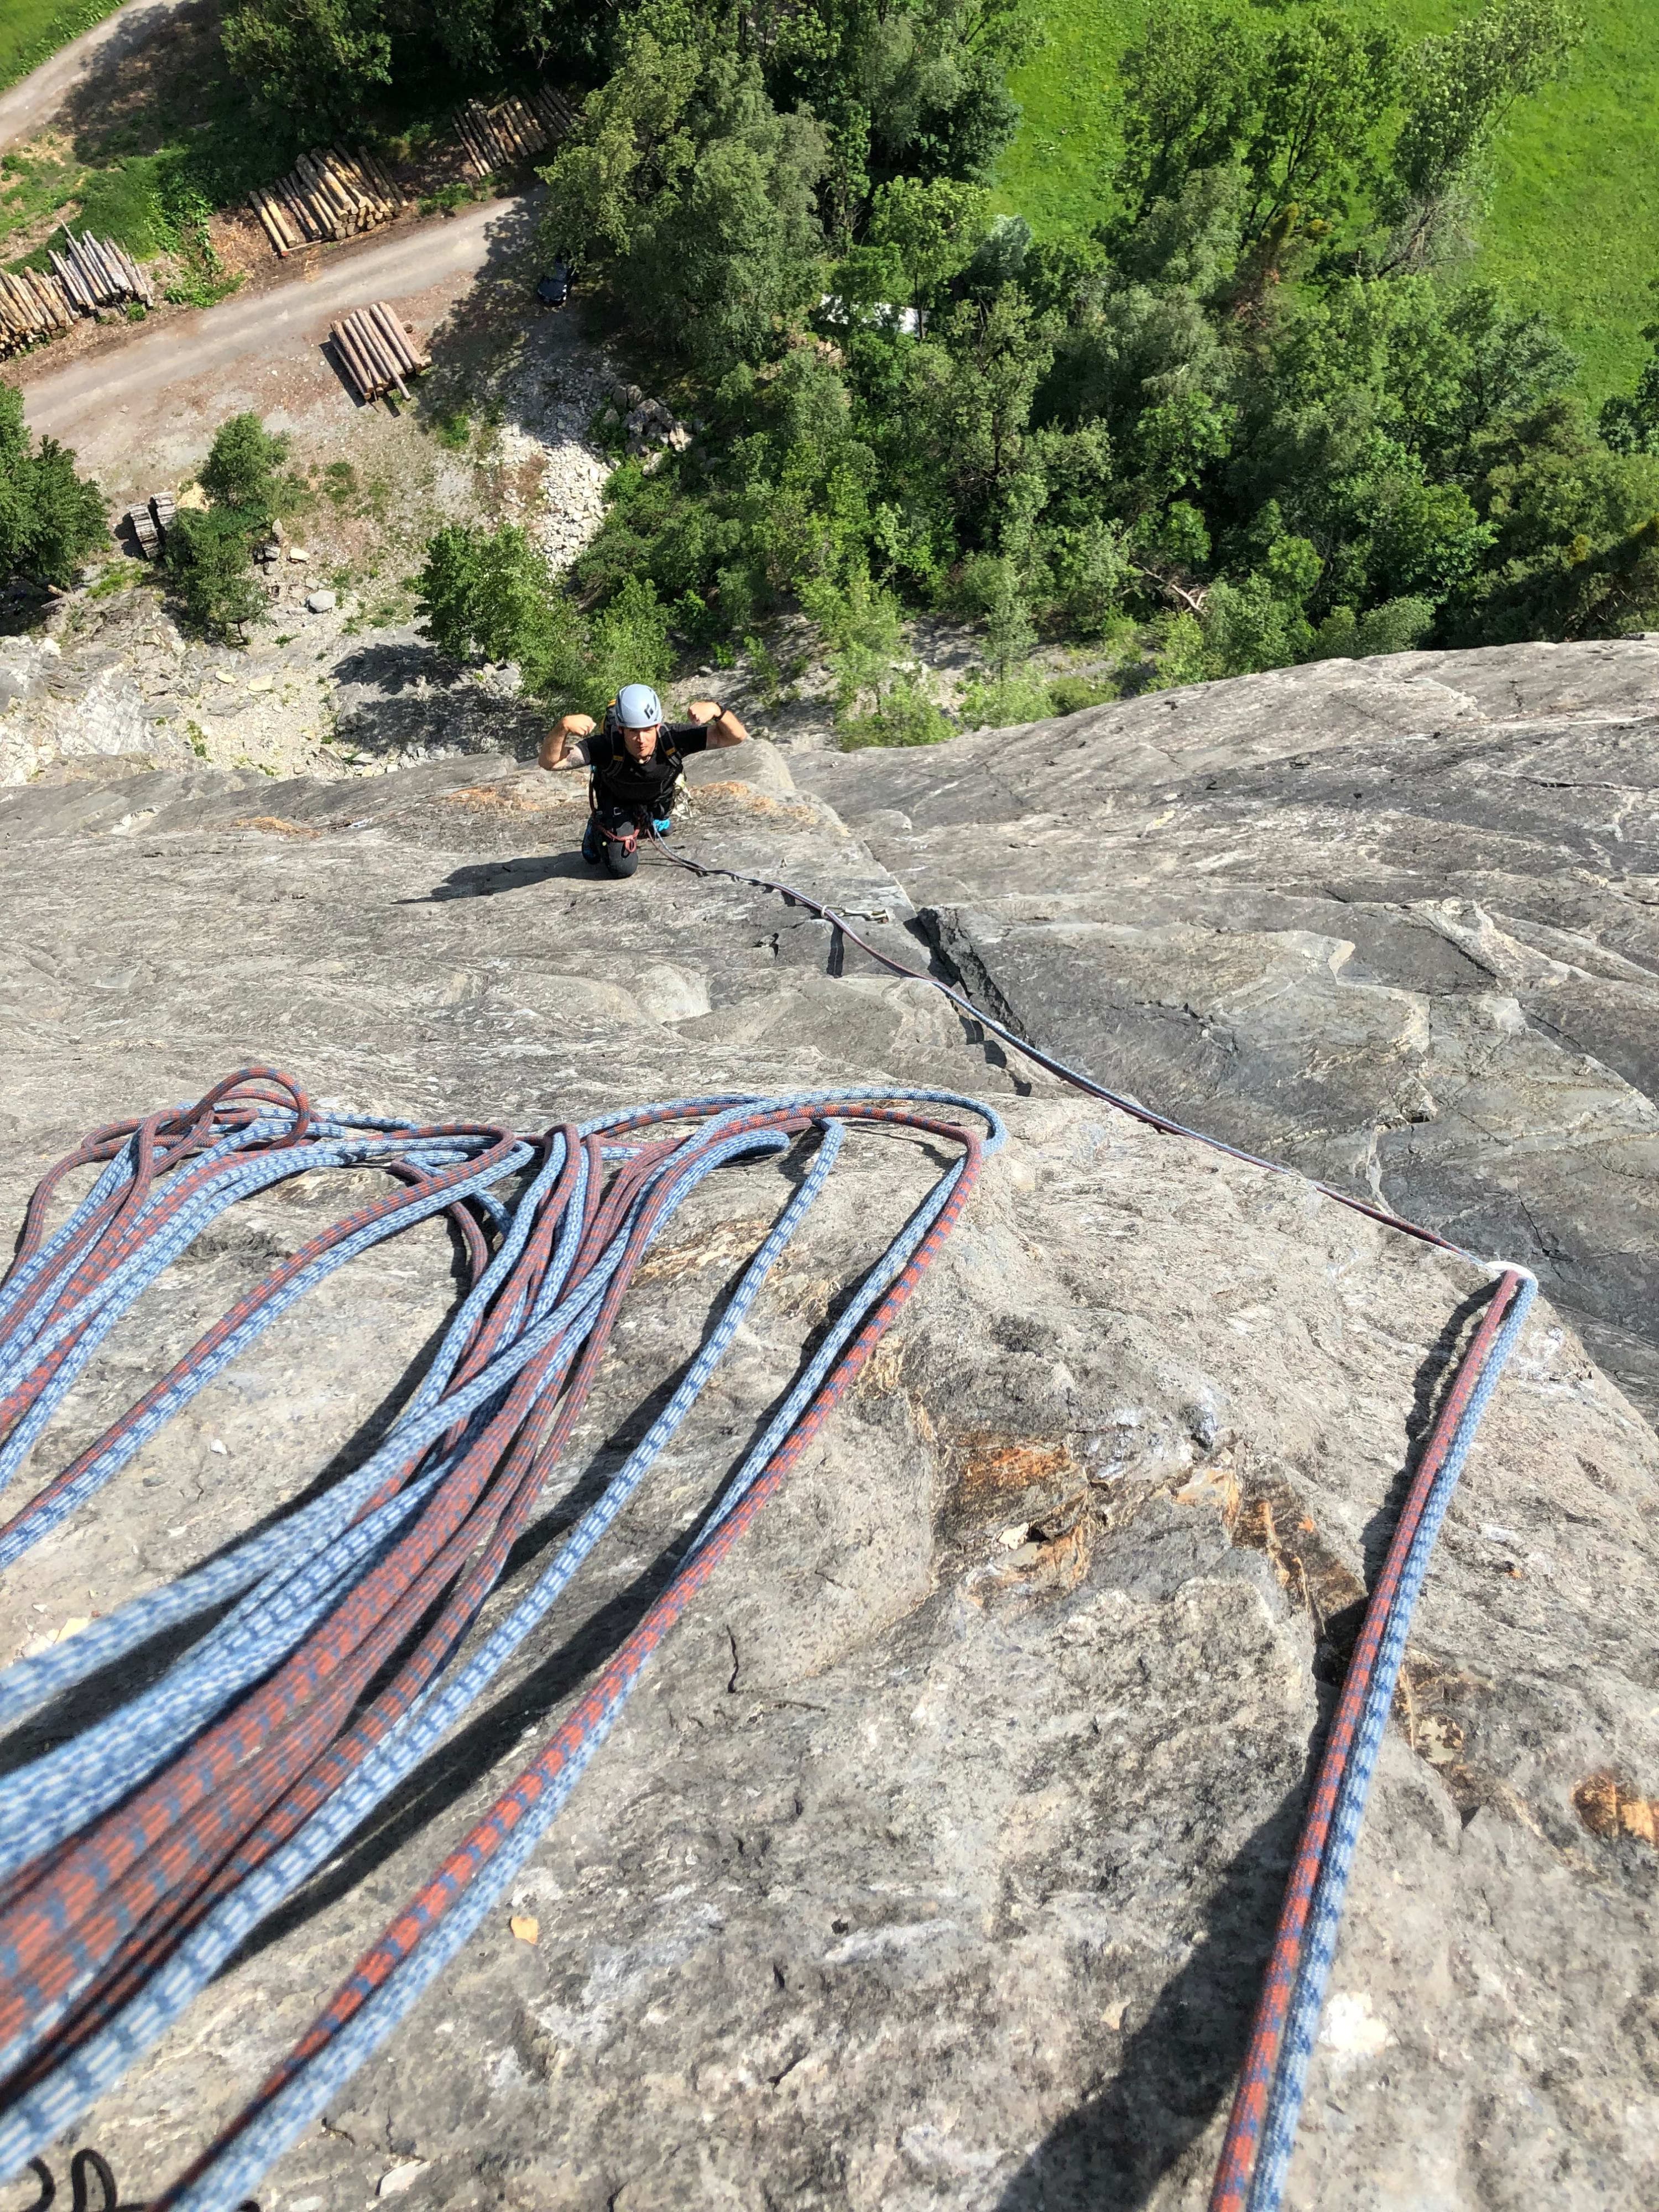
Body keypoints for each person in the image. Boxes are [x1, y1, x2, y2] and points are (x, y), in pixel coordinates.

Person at [540, 684, 749, 876]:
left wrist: (717, 711)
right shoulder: (607, 746)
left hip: (657, 802)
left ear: (657, 726)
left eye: (648, 730)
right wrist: (564, 726)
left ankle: (652, 818)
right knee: (621, 867)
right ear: (621, 729)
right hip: (618, 804)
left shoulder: (672, 739)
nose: (641, 739)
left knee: (664, 829)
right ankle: (598, 825)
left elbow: (735, 737)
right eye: (633, 731)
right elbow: (550, 763)